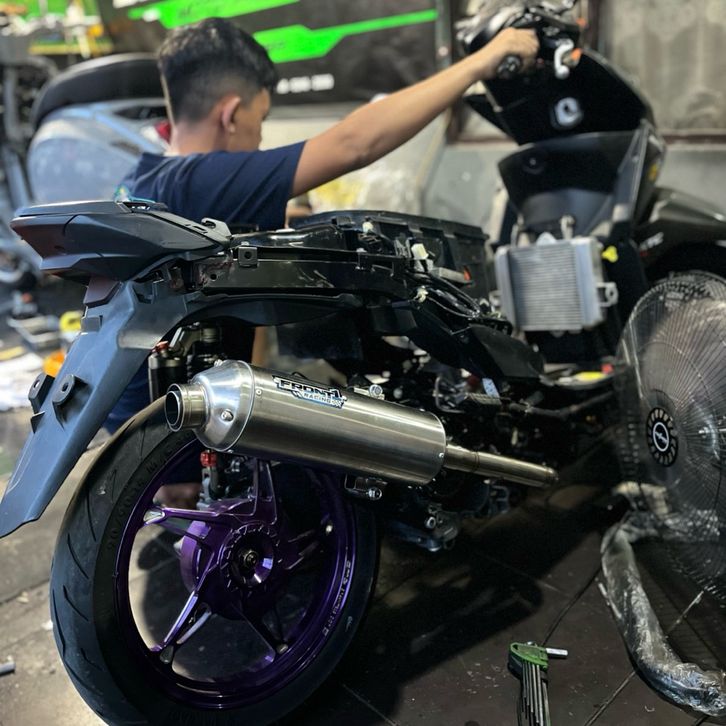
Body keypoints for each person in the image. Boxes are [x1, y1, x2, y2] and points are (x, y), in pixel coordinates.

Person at [106, 16, 538, 432]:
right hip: (169, 438)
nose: (260, 137)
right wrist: (482, 62)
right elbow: (355, 143)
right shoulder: (200, 180)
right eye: (260, 120)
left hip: (131, 422)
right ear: (231, 115)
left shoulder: (146, 179)